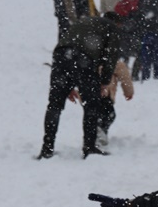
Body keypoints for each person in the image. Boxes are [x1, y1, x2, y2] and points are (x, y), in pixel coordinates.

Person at [38, 15, 121, 160]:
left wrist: (67, 84)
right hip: (84, 59)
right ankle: (89, 147)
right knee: (91, 106)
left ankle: (47, 148)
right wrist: (104, 82)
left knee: (54, 105)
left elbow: (69, 42)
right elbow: (110, 58)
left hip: (61, 54)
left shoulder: (86, 21)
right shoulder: (112, 29)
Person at [96, 16, 134, 150]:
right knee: (109, 114)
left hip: (89, 86)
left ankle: (96, 134)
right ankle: (100, 134)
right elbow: (122, 72)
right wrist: (129, 91)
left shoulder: (94, 38)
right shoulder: (111, 44)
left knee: (94, 114)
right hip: (105, 89)